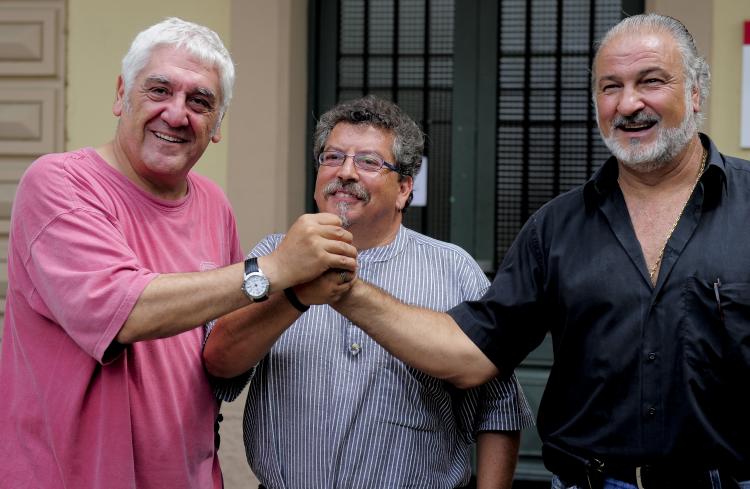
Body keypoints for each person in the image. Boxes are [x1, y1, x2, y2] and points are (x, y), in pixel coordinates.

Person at [321, 14, 750, 489]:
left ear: (695, 93)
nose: (629, 103)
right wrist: (346, 291)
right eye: (610, 87)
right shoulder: (556, 229)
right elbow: (470, 355)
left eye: (650, 81)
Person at [0, 17, 356, 489]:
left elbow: (218, 358)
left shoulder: (212, 204)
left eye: (200, 101)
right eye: (159, 90)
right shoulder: (60, 184)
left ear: (217, 126)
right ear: (121, 94)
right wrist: (273, 269)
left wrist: (293, 295)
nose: (176, 113)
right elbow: (122, 312)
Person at [203, 95, 534, 489]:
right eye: (332, 157)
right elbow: (220, 363)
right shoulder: (272, 257)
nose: (345, 172)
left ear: (404, 189)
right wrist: (293, 291)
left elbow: (498, 410)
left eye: (369, 162)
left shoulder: (453, 269)